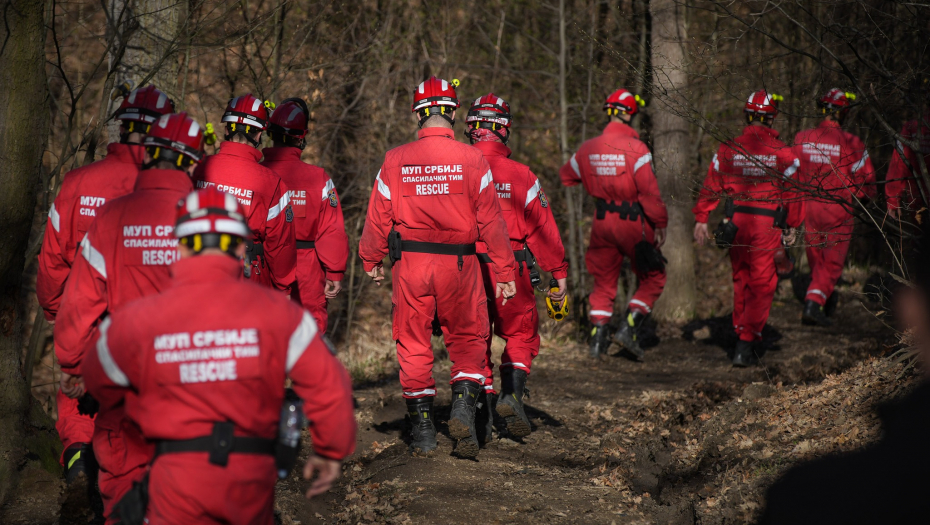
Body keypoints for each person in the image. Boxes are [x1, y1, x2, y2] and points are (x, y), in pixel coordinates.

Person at [82, 187, 356, 525]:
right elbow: (329, 384)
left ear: (180, 247)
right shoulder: (279, 314)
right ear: (240, 247)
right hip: (250, 478)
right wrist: (331, 450)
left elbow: (98, 378)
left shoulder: (136, 319)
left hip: (174, 476)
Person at [53, 112, 203, 523]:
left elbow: (80, 300)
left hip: (124, 370)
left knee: (121, 477)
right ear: (193, 163)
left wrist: (72, 362)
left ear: (148, 153)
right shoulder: (208, 218)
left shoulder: (112, 217)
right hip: (188, 371)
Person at [358, 76, 517, 459]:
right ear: (453, 112)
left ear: (418, 114)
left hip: (411, 266)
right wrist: (505, 271)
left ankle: (424, 429)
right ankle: (462, 406)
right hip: (460, 265)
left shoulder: (394, 159)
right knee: (468, 339)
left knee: (413, 343)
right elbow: (492, 221)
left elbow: (378, 215)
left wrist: (371, 258)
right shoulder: (473, 159)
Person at [36, 85, 174, 483]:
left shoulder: (78, 182)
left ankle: (79, 462)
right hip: (148, 328)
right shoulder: (171, 193)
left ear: (123, 127)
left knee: (79, 406)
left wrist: (56, 311)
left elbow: (52, 258)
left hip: (85, 317)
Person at [757, 227, 930, 525]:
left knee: (810, 260)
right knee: (831, 260)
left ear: (910, 311)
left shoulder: (809, 498)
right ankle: (812, 300)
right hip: (824, 216)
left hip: (801, 216)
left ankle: (761, 329)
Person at [465, 93, 568, 439]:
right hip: (512, 265)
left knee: (474, 337)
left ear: (471, 127)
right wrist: (558, 273)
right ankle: (511, 393)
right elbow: (543, 229)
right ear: (504, 129)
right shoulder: (522, 175)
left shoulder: (456, 171)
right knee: (521, 333)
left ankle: (482, 412)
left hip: (466, 267)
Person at [692, 90, 803, 367]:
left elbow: (712, 183)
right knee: (762, 282)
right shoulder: (784, 153)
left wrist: (702, 217)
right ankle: (747, 340)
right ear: (771, 118)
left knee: (741, 276)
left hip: (736, 222)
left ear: (747, 115)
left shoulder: (728, 149)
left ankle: (741, 329)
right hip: (767, 224)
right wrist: (792, 224)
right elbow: (795, 191)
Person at [559, 88, 668, 360]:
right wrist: (660, 222)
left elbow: (567, 176)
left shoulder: (588, 148)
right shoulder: (637, 149)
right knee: (655, 276)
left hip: (602, 222)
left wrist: (597, 178)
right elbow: (648, 193)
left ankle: (598, 342)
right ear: (630, 115)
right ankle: (628, 328)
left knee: (603, 280)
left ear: (609, 112)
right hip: (634, 222)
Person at [193, 93, 297, 292]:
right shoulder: (272, 183)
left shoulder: (198, 168)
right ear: (258, 135)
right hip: (247, 277)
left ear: (226, 130)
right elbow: (281, 244)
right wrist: (283, 287)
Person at [261, 97, 349, 332]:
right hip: (307, 268)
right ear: (301, 137)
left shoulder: (256, 173)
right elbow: (331, 229)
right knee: (310, 334)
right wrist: (334, 271)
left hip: (264, 263)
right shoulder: (318, 178)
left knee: (264, 331)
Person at [793, 89, 876, 326]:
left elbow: (791, 173)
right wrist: (864, 197)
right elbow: (867, 179)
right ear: (844, 112)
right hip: (838, 209)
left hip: (810, 207)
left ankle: (822, 299)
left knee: (816, 259)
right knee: (831, 262)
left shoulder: (802, 138)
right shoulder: (852, 143)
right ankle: (813, 303)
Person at [886, 104, 930, 222]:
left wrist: (892, 200)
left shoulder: (913, 127)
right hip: (918, 200)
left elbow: (898, 165)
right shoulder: (912, 128)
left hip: (918, 201)